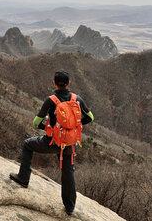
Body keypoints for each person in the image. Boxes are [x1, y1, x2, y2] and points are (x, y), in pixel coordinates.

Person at [10, 69, 94, 216]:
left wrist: (49, 128)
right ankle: (69, 207)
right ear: (69, 83)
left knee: (27, 144)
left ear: (54, 83)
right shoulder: (77, 99)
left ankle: (23, 178)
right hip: (69, 143)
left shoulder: (51, 100)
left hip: (52, 142)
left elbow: (36, 122)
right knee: (68, 172)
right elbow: (90, 117)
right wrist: (74, 127)